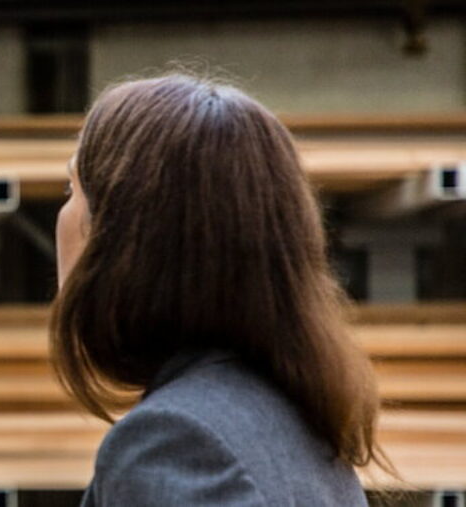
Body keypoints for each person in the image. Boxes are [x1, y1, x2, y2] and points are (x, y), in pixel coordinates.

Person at [52, 74, 394, 505]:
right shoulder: (302, 425)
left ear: (131, 234)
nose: (62, 215)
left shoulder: (176, 441)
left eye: (73, 189)